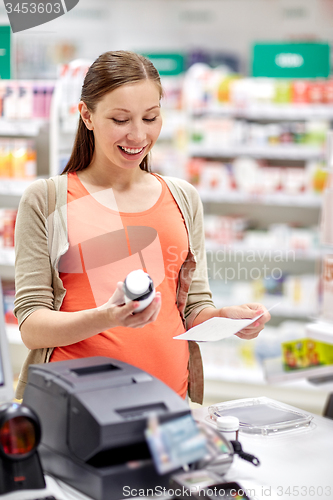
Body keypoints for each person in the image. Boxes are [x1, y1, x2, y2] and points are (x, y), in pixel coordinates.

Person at [14, 50, 271, 403]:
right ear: (86, 115)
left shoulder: (182, 197)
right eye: (120, 119)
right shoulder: (47, 200)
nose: (138, 135)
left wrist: (227, 318)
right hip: (76, 410)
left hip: (171, 407)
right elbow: (31, 326)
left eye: (151, 117)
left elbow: (193, 308)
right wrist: (108, 317)